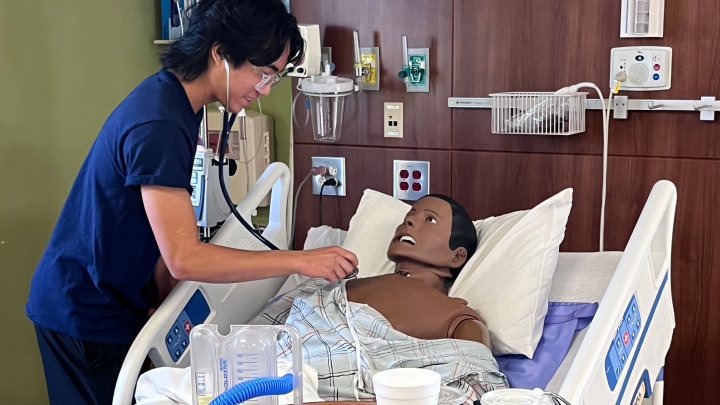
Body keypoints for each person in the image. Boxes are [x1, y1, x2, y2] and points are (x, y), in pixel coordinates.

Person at [25, 1, 357, 404]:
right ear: (220, 54)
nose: (266, 89)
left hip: (114, 301)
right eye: (264, 73)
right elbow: (185, 256)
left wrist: (163, 299)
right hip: (81, 312)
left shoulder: (177, 104)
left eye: (275, 76)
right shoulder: (161, 123)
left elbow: (157, 233)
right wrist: (300, 260)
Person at [345, 194, 492, 348]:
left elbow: (476, 363)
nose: (409, 221)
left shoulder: (454, 316)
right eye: (408, 216)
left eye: (430, 220)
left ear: (456, 257)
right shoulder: (350, 283)